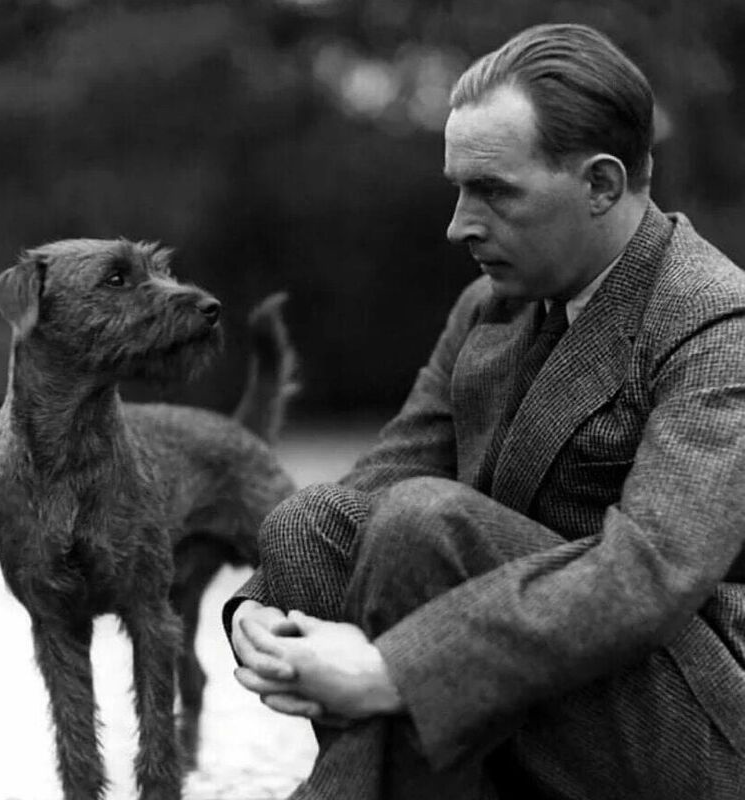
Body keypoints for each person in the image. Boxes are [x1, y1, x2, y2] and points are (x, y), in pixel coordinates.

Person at [223, 22, 745, 799]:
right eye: (459, 188)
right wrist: (259, 612)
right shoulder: (490, 307)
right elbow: (382, 476)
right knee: (311, 525)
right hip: (525, 698)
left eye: (495, 191)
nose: (459, 224)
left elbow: (651, 573)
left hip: (696, 732)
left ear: (602, 185)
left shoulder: (716, 321)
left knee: (424, 525)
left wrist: (394, 672)